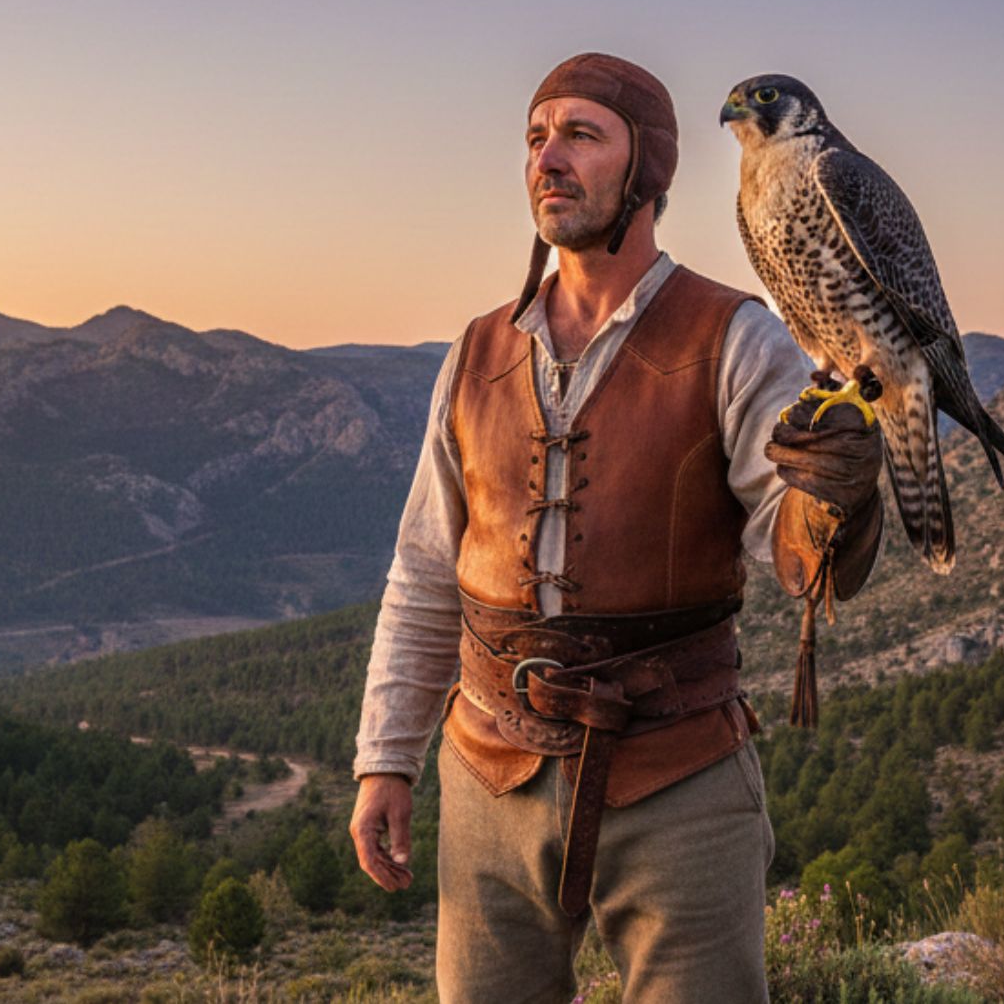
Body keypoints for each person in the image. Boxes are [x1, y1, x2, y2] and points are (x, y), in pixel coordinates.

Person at [347, 53, 885, 1003]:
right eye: (535, 137)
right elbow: (425, 570)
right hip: (488, 765)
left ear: (649, 171)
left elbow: (797, 550)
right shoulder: (477, 352)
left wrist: (837, 495)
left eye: (580, 135)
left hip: (677, 768)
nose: (547, 158)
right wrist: (386, 757)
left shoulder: (734, 336)